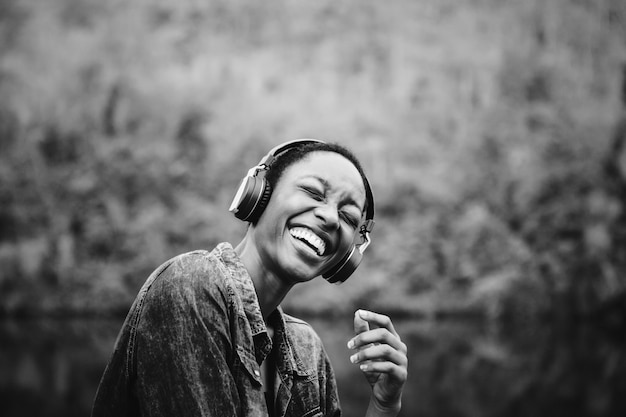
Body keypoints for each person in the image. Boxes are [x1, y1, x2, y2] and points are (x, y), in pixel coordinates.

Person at [92, 139, 408, 417]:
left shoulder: (307, 350)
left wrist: (383, 405)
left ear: (346, 257)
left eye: (348, 217)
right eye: (312, 191)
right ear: (259, 194)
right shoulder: (190, 286)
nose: (329, 217)